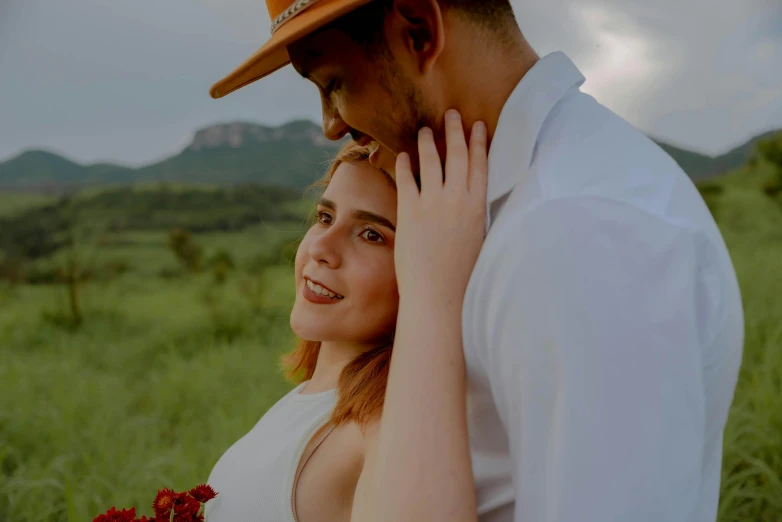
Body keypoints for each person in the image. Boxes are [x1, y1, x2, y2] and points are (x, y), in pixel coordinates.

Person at [209, 1, 745, 521]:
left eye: (334, 83)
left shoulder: (582, 230)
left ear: (419, 30)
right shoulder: (493, 208)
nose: (330, 125)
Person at [206, 118, 489, 522]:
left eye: (371, 234)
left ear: (423, 264)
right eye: (325, 217)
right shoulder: (311, 400)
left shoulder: (383, 428)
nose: (321, 247)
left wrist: (437, 291)